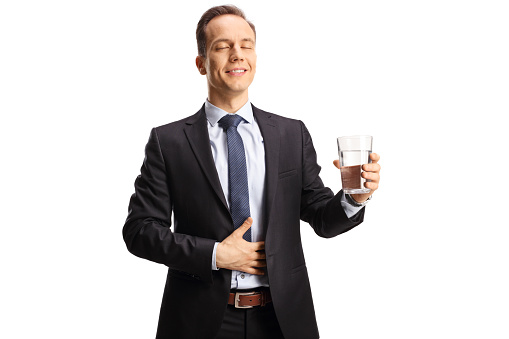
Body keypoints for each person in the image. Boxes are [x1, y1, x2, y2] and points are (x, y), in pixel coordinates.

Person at [123, 5, 381, 339]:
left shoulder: (291, 134)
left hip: (282, 318)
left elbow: (320, 216)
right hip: (198, 321)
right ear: (201, 63)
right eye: (222, 46)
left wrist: (353, 199)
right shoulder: (168, 141)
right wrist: (216, 254)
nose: (237, 54)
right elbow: (140, 231)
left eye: (246, 45)